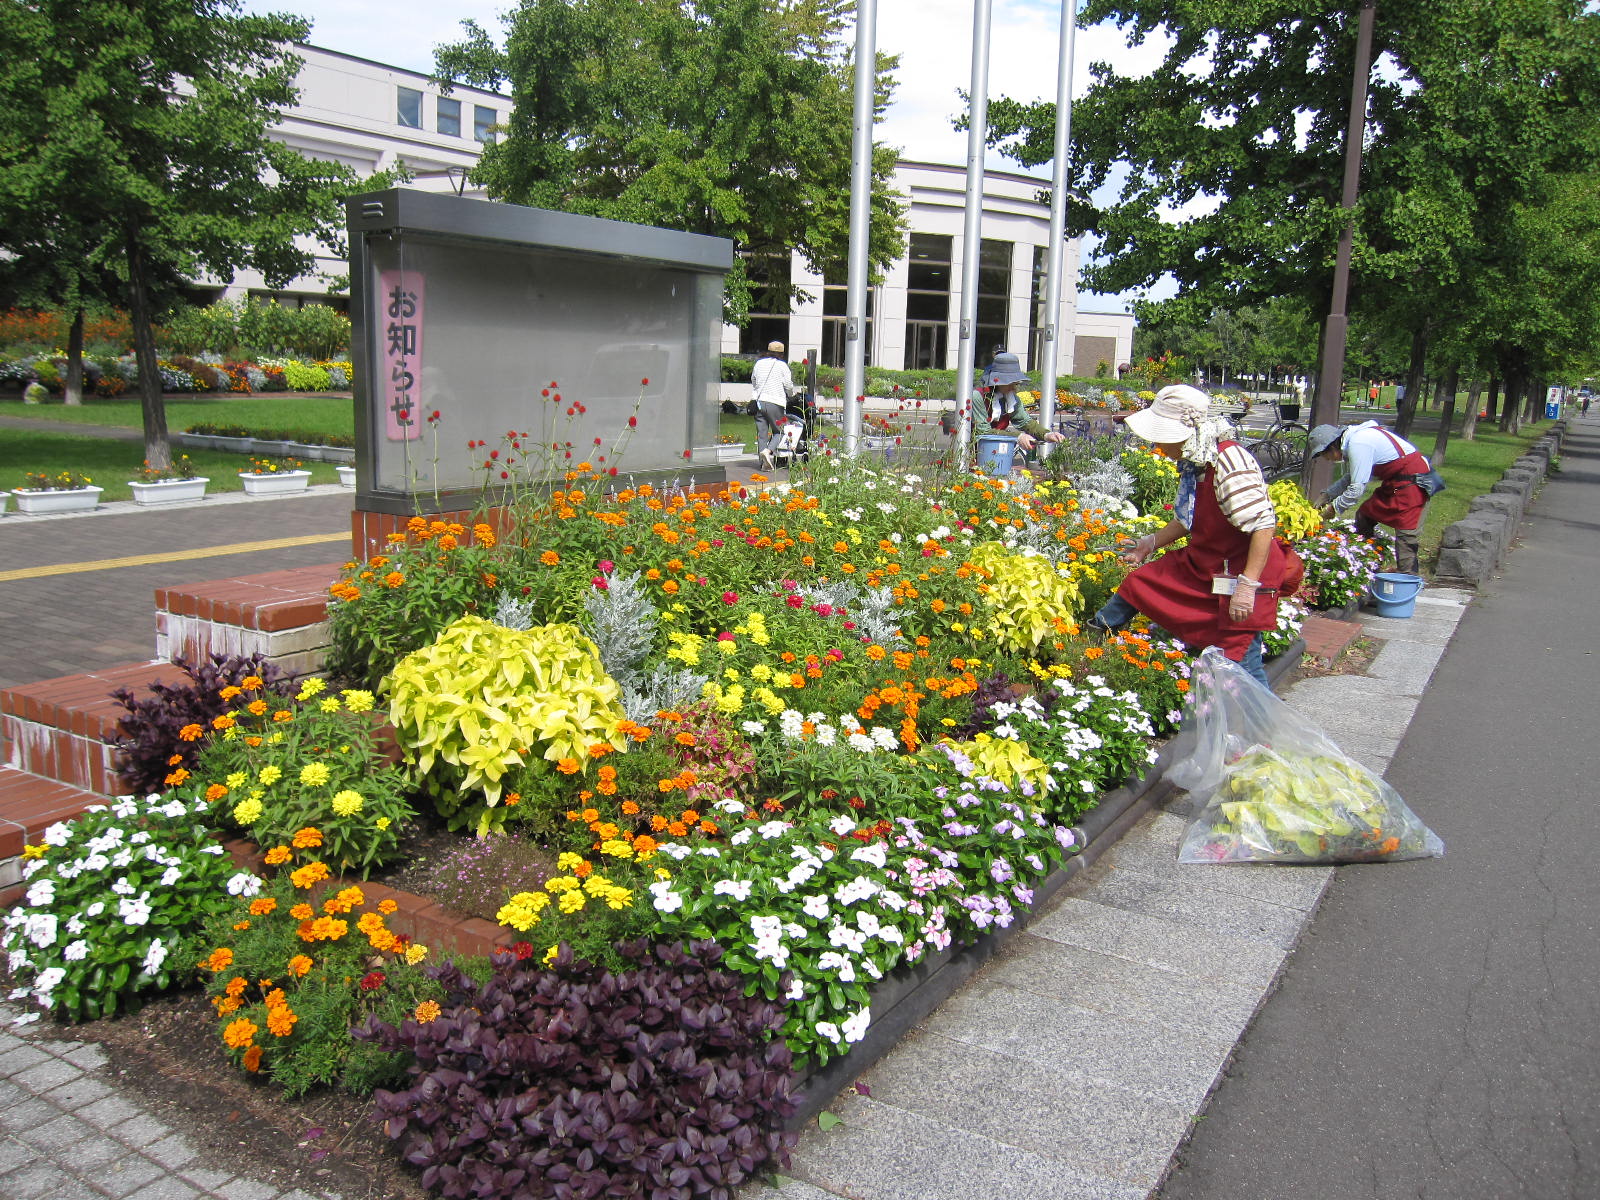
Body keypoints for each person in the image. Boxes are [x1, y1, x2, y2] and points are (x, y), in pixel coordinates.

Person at [1087, 384, 1288, 687]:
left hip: (1241, 572)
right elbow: (1189, 518)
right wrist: (1149, 543)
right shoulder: (1198, 460)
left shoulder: (1229, 462)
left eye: (1160, 436)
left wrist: (1247, 585)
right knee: (1142, 582)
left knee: (1241, 663)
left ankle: (1264, 731)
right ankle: (1095, 630)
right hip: (1207, 563)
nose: (1156, 444)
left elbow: (1263, 525)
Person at [1307, 422, 1431, 576]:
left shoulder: (1358, 443)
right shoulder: (1355, 440)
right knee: (1365, 515)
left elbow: (1356, 489)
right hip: (1395, 482)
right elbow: (1352, 476)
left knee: (1406, 533)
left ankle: (1407, 578)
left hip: (1413, 482)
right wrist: (1327, 494)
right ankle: (1368, 560)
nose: (1327, 460)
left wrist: (1332, 509)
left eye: (1324, 455)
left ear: (1332, 447)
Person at [973, 350, 1064, 457]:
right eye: (1010, 383)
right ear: (998, 382)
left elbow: (1026, 422)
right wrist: (1018, 436)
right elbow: (983, 432)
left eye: (1015, 383)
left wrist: (1047, 434)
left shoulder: (1011, 398)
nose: (1014, 388)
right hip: (970, 452)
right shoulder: (978, 396)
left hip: (994, 452)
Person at [749, 340, 799, 470]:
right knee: (781, 431)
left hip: (759, 401)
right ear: (782, 354)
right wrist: (791, 394)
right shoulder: (782, 366)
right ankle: (769, 451)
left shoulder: (759, 363)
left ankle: (763, 463)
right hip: (775, 402)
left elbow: (753, 380)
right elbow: (788, 385)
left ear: (768, 351)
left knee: (762, 434)